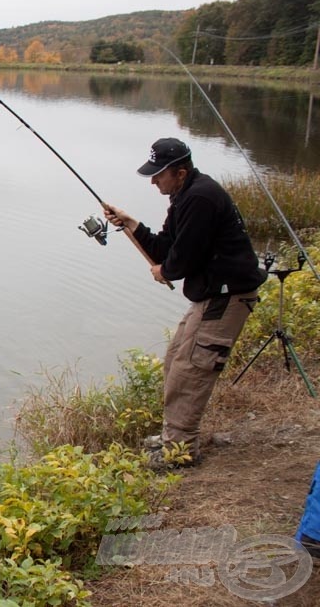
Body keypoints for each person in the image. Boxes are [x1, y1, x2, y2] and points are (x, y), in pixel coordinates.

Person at [103, 137, 267, 470]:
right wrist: (131, 224)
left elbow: (182, 259)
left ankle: (180, 452)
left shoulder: (201, 197)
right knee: (176, 359)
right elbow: (166, 246)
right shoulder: (184, 196)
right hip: (211, 294)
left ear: (180, 172)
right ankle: (172, 437)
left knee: (191, 370)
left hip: (227, 294)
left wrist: (166, 271)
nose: (153, 180)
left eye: (158, 174)